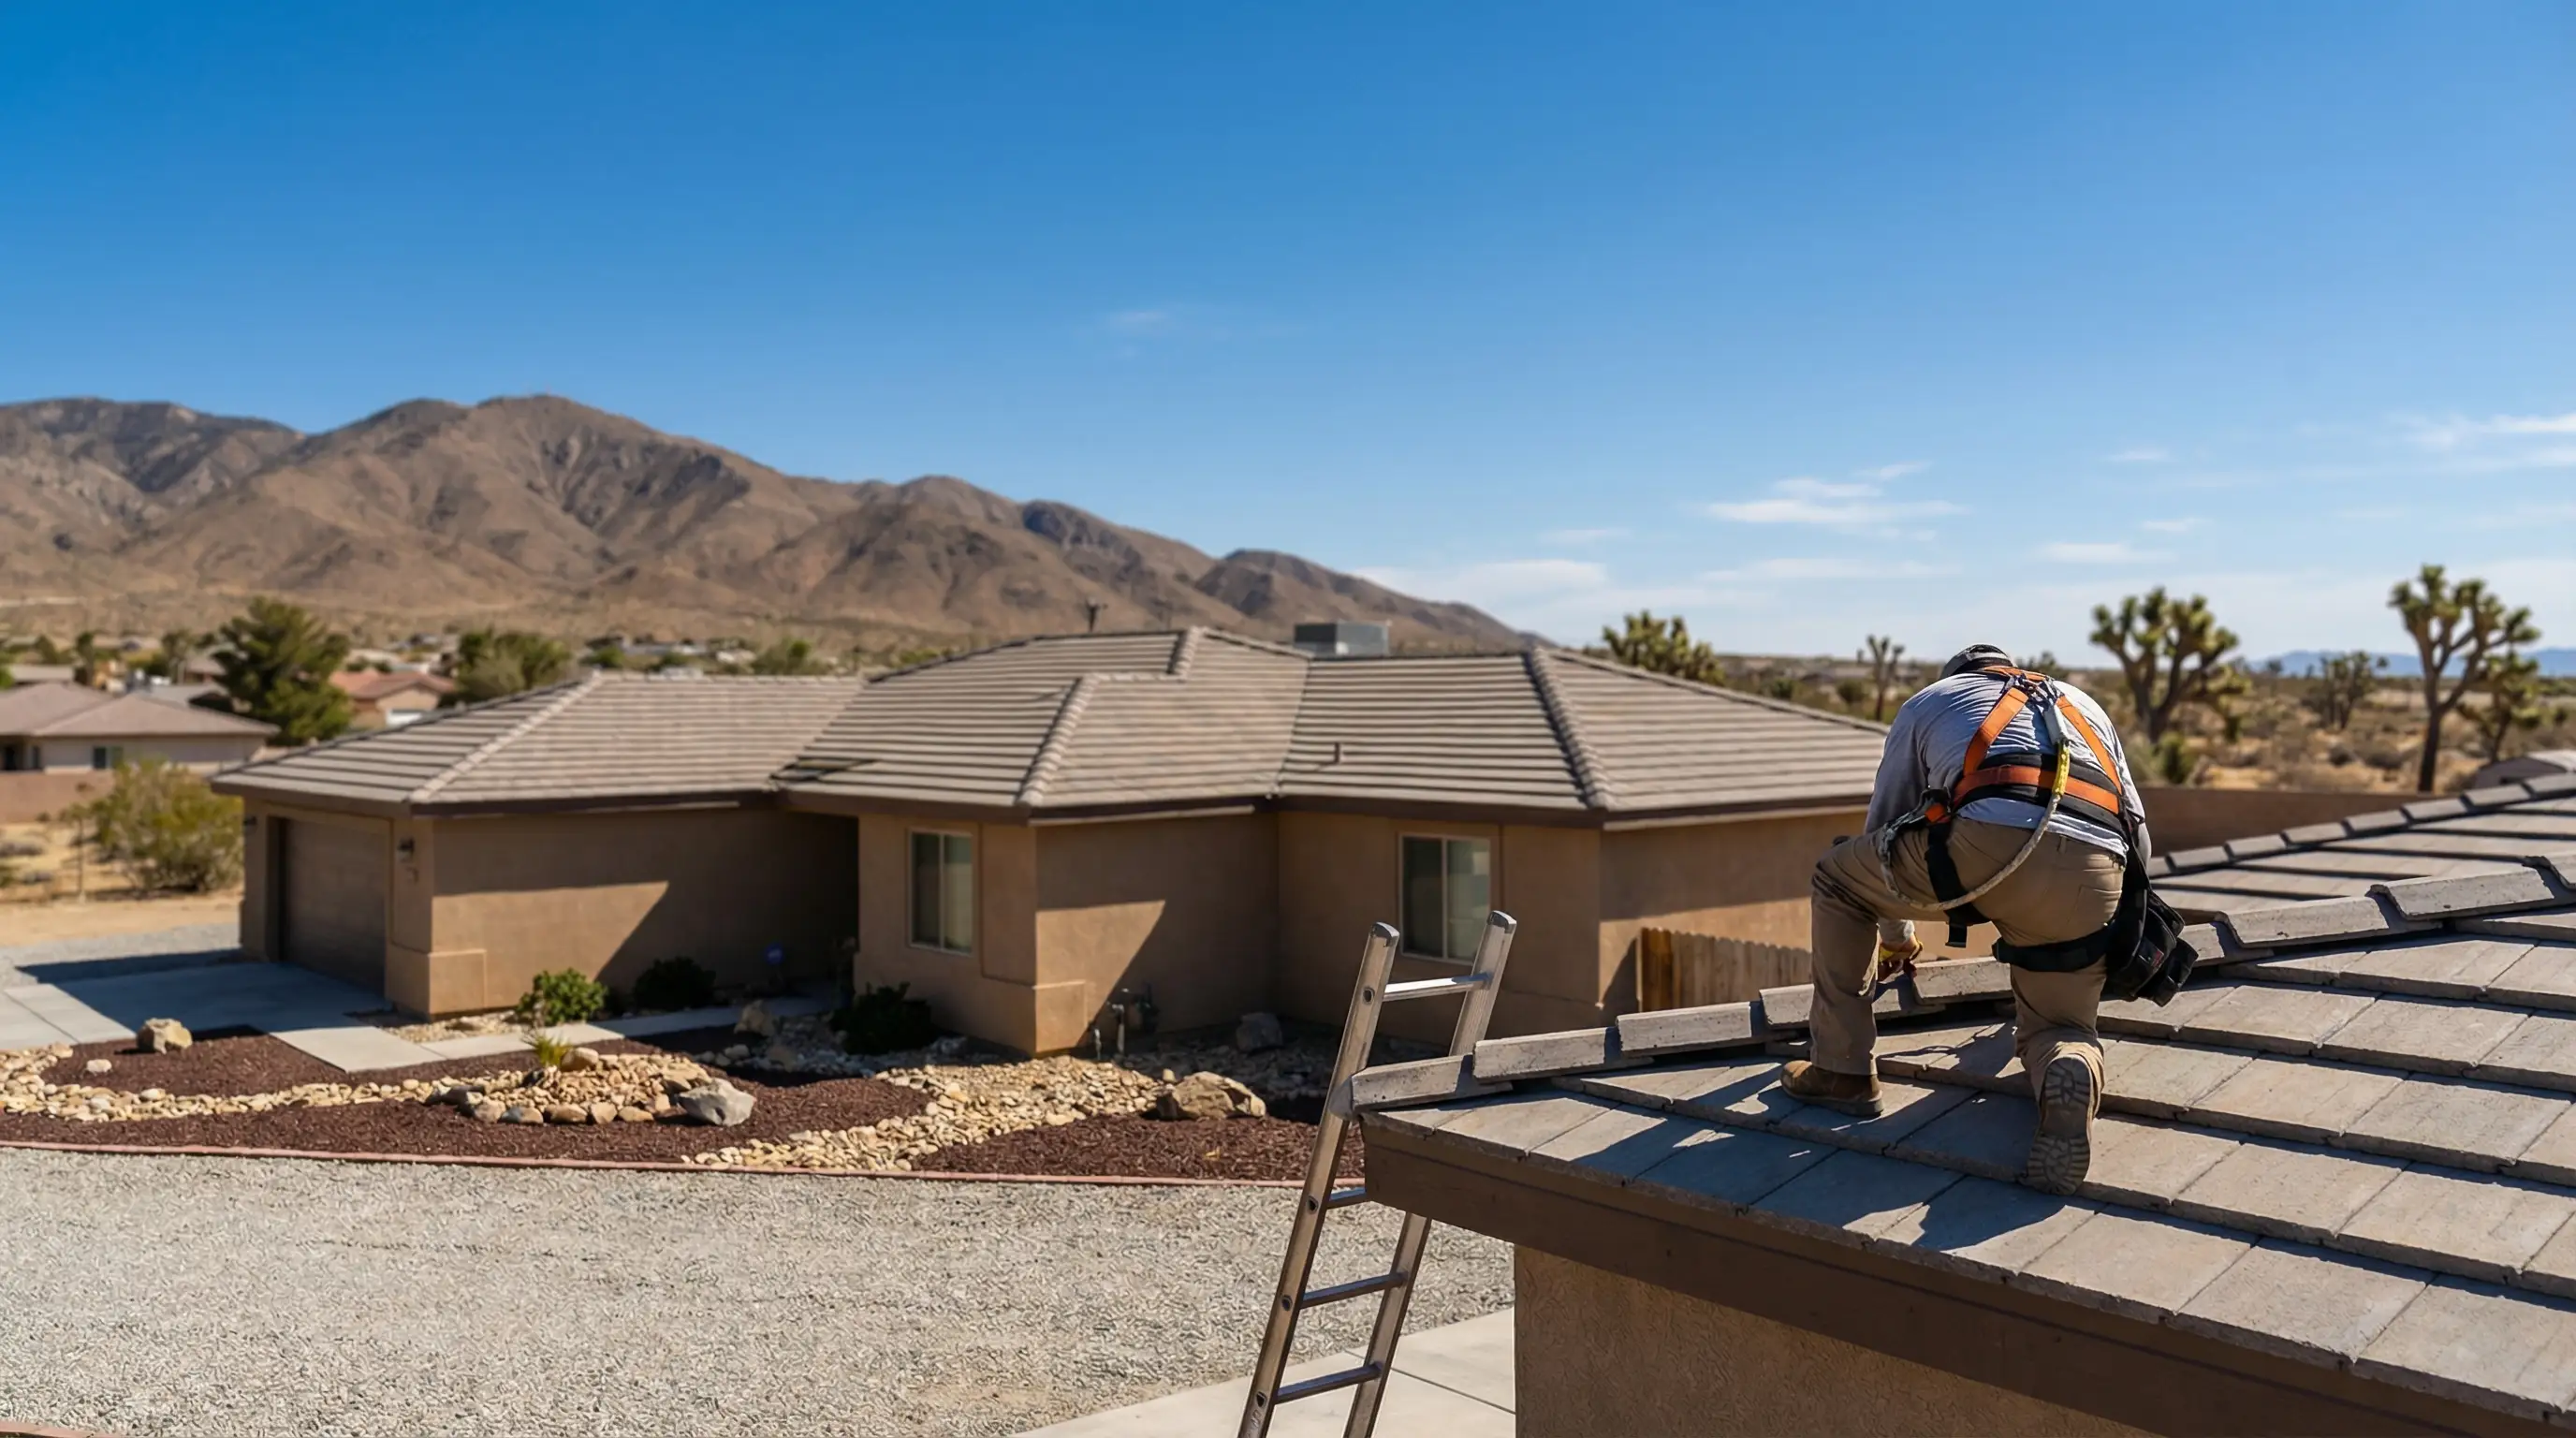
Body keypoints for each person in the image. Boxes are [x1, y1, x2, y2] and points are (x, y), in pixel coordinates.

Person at [1781, 643, 2148, 1195]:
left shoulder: (1931, 700)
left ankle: (1843, 1071)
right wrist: (2119, 927)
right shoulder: (2083, 703)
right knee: (2060, 1026)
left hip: (1982, 850)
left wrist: (1898, 938)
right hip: (2094, 869)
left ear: (1957, 675)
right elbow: (2137, 831)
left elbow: (1883, 830)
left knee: (1836, 879)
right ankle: (2066, 1066)